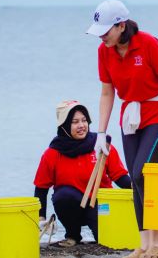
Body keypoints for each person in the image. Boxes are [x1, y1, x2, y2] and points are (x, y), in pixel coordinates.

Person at [86, 0, 158, 258]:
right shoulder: (104, 51)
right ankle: (144, 244)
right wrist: (101, 133)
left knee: (142, 174)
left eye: (106, 31)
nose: (102, 37)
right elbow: (107, 92)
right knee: (135, 180)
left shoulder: (148, 43)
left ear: (121, 26)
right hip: (131, 118)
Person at [33, 100, 131, 247]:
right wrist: (41, 219)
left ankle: (102, 230)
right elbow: (41, 188)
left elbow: (120, 177)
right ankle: (72, 235)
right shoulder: (53, 153)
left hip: (100, 207)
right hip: (71, 206)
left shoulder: (101, 145)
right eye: (75, 122)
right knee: (63, 196)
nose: (81, 125)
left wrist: (140, 188)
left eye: (84, 120)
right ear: (64, 126)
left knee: (107, 241)